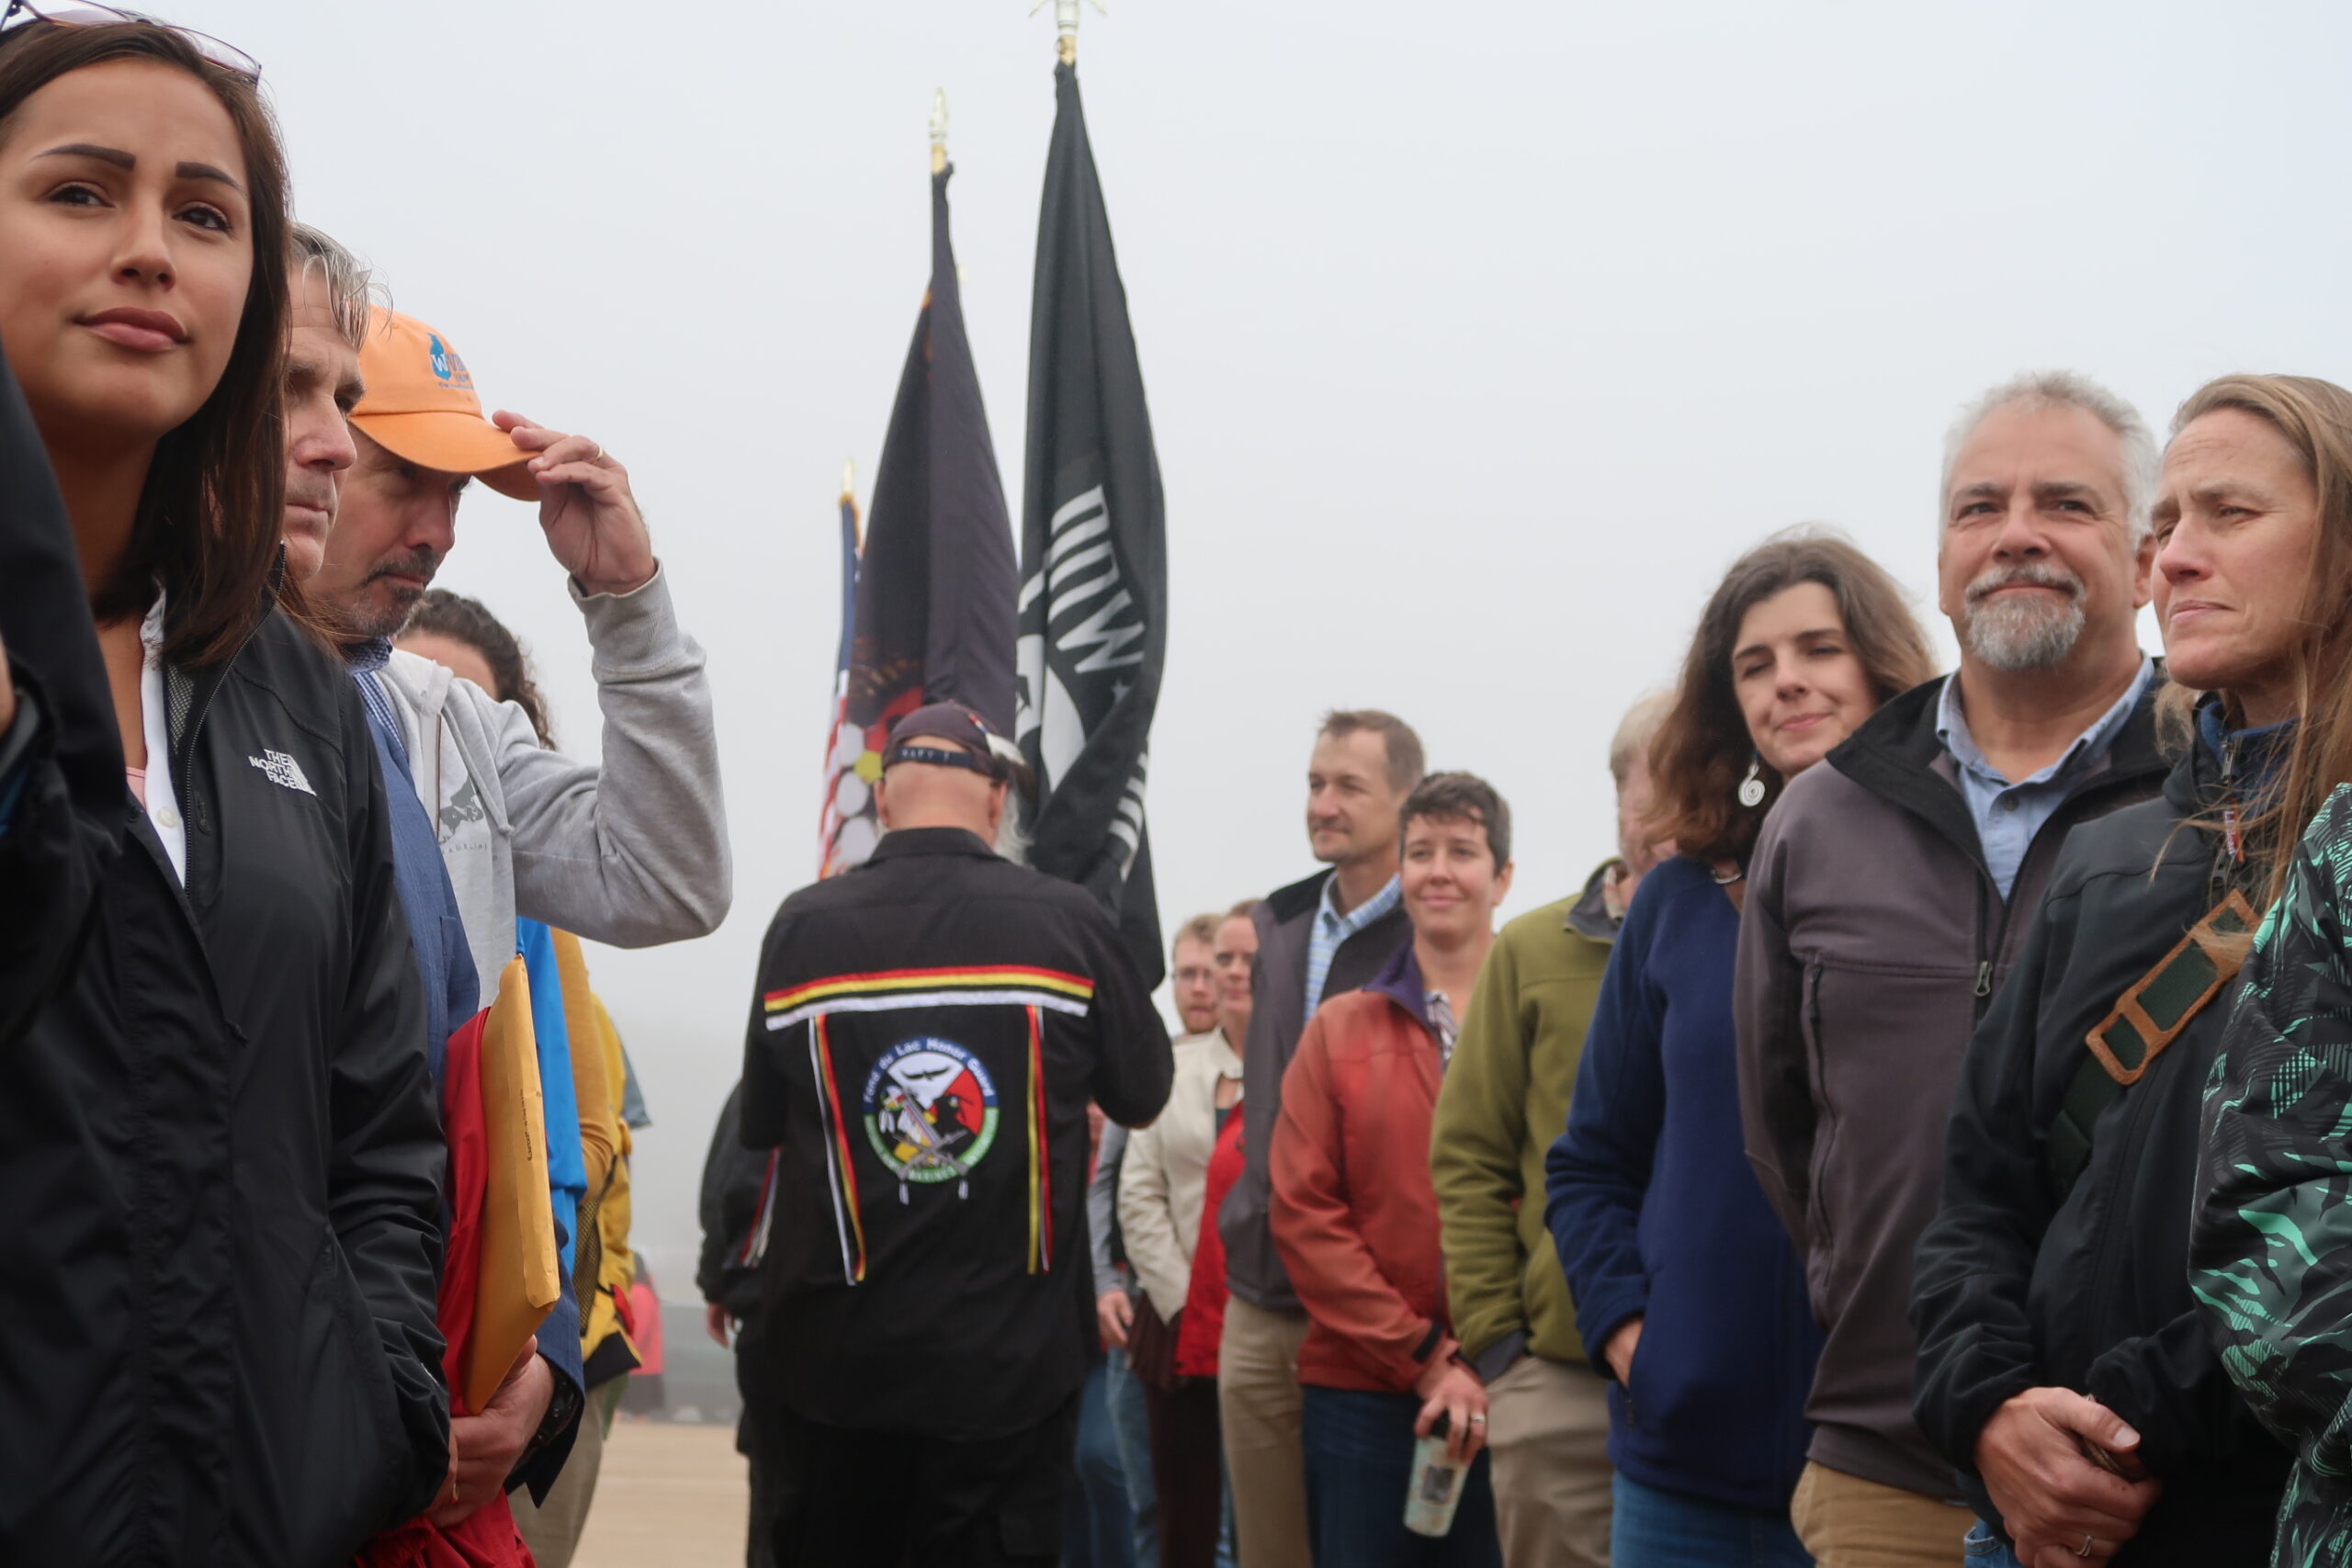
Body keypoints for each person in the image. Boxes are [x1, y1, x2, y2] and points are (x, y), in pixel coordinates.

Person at [0, 16, 447, 1562]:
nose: (148, 252)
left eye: (203, 214)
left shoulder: (301, 701)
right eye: (78, 192)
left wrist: (374, 1408)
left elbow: (379, 1128)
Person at [1736, 372, 2168, 1567]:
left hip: (2152, 1477)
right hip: (1888, 1464)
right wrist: (1894, 1317)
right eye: (1981, 505)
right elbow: (1782, 1128)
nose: (2016, 530)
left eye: (2065, 501)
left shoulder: (2237, 802)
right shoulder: (1817, 818)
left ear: (2144, 555)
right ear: (1939, 561)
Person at [1551, 534, 1936, 1564]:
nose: (1786, 683)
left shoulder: (1962, 877)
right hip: (1685, 1464)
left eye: (1818, 649)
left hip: (1901, 1463)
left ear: (1880, 667)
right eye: (1753, 665)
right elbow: (1589, 1160)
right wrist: (1636, 1338)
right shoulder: (1674, 900)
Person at [738, 700, 1174, 1564]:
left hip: (834, 1371)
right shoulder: (1069, 924)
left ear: (886, 804)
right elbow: (1145, 1089)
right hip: (1008, 1378)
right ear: (995, 799)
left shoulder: (803, 928)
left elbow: (761, 1124)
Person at [313, 304, 731, 1005]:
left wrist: (628, 604)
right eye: (403, 477)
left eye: (455, 491)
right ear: (303, 449)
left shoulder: (455, 730)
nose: (441, 532)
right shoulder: (147, 683)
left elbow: (667, 884)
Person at [1430, 690, 1671, 1568]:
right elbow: (1467, 1152)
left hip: (1718, 1382)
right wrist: (1500, 1346)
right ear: (1622, 797)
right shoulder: (1531, 951)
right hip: (1560, 1381)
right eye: (1662, 780)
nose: (1685, 800)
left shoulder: (1757, 929)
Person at [2178, 381, 2352, 1567]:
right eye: (2168, 523)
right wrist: (1986, 1388)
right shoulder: (2104, 848)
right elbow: (2266, 1203)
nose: (2178, 557)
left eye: (2228, 513)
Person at [1272, 771, 1519, 1568]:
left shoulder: (1544, 1023)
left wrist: (1491, 1355)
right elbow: (1305, 1212)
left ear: (1503, 876)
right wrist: (1422, 1358)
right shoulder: (1339, 1027)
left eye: (1463, 850)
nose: (1439, 869)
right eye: (1420, 852)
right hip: (1363, 1388)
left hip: (1516, 1382)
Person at [1220, 708, 1423, 1565]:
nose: (1323, 803)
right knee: (1268, 1549)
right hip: (1259, 1296)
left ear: (1406, 800)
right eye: (1314, 783)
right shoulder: (1279, 924)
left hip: (1370, 1308)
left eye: (1348, 786)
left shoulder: (1427, 932)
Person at [1122, 904, 1260, 1568]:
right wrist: (1188, 1302)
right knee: (1184, 1522)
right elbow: (1137, 1192)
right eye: (1222, 960)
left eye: (1245, 961)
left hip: (1275, 1321)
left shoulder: (1301, 1059)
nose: (1232, 974)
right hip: (1179, 1327)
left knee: (1267, 1520)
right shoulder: (1173, 1069)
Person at [1095, 915, 1228, 1568]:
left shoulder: (1267, 1060)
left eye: (1212, 972)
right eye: (1187, 974)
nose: (1199, 987)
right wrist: (1105, 1283)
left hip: (1244, 1317)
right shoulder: (1155, 1064)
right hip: (1154, 1314)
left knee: (1227, 1519)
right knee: (1152, 1502)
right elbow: (1113, 1186)